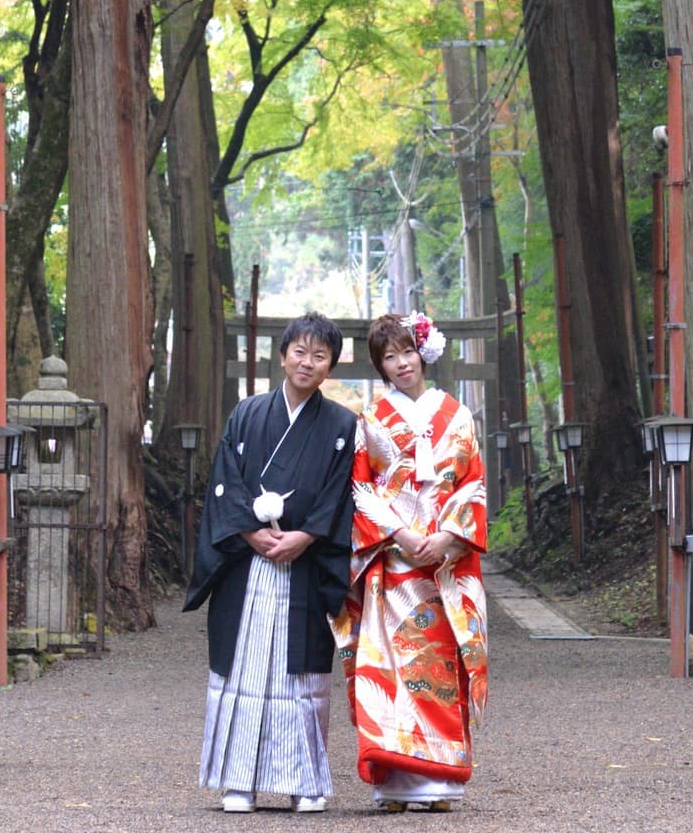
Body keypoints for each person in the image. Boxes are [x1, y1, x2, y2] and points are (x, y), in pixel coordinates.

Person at [183, 311, 358, 814]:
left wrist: (305, 536)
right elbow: (225, 481)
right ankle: (239, 780)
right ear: (282, 357)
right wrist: (249, 532)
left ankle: (305, 780)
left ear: (331, 366)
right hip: (247, 563)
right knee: (243, 668)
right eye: (299, 352)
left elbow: (341, 495)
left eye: (319, 355)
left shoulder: (344, 425)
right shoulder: (247, 414)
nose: (307, 362)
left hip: (303, 567)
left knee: (299, 676)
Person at [334, 311, 488, 813]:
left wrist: (446, 536)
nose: (401, 364)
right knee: (393, 670)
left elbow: (472, 484)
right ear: (380, 366)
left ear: (424, 351)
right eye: (389, 357)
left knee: (439, 668)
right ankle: (396, 782)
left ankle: (442, 781)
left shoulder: (458, 415)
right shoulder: (372, 419)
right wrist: (400, 533)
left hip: (443, 564)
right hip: (394, 562)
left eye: (406, 352)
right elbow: (361, 489)